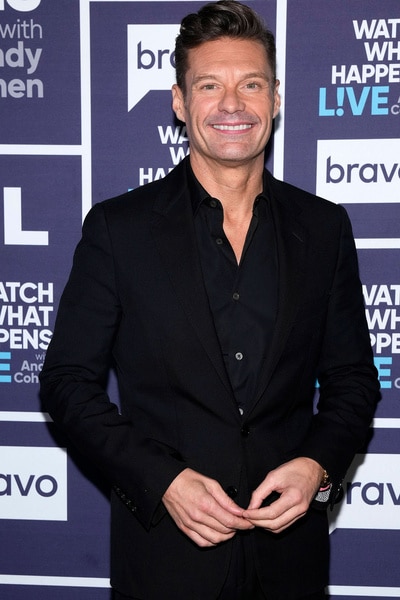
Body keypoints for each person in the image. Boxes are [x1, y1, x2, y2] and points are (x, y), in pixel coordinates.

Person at [39, 1, 380, 599]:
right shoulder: (120, 229)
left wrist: (318, 469)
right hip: (167, 561)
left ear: (274, 99)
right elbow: (67, 382)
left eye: (250, 84)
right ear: (179, 101)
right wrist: (163, 480)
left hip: (290, 562)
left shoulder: (324, 228)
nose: (231, 105)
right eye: (209, 85)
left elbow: (353, 381)